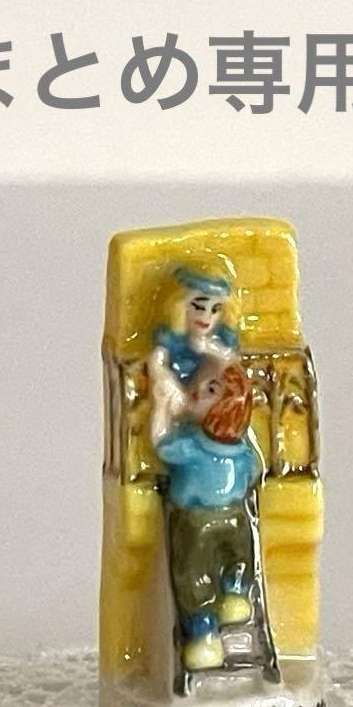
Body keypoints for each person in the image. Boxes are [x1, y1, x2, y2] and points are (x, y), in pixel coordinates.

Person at [154, 357, 262, 672]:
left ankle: (203, 635)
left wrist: (161, 407)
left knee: (194, 575)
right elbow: (254, 473)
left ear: (226, 405)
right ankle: (235, 593)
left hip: (196, 521)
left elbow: (161, 445)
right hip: (235, 516)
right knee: (239, 555)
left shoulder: (189, 445)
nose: (197, 391)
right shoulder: (243, 453)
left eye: (211, 389)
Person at [147, 266, 240, 444]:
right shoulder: (172, 336)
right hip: (179, 395)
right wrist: (167, 380)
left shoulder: (222, 337)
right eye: (198, 306)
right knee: (164, 393)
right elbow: (156, 361)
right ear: (181, 305)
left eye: (215, 309)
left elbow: (232, 362)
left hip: (208, 399)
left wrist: (211, 347)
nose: (206, 317)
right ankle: (166, 440)